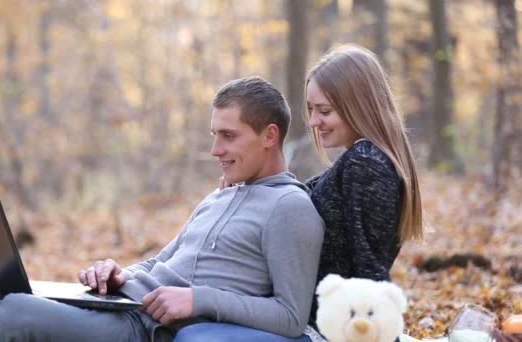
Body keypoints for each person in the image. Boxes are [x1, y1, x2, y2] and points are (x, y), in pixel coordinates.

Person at [0, 76, 324, 342]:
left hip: (143, 329)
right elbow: (162, 261)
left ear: (270, 136)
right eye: (214, 135)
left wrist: (199, 299)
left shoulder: (290, 207)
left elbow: (290, 316)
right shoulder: (220, 194)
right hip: (120, 304)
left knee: (12, 316)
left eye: (229, 137)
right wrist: (119, 272)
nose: (215, 150)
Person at [174, 44, 424, 341]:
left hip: (326, 330)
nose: (315, 122)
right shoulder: (357, 161)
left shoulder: (366, 164)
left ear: (359, 104)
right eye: (311, 110)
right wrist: (246, 186)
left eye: (324, 111)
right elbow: (304, 196)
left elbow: (369, 270)